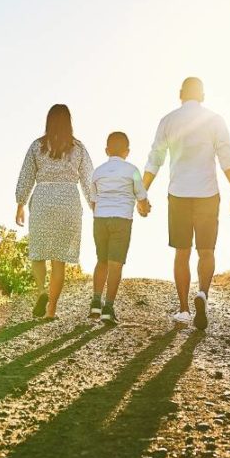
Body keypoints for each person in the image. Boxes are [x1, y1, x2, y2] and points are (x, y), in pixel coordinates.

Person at [143, 77, 230, 330]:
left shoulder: (167, 121)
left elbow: (154, 159)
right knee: (206, 251)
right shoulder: (215, 120)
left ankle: (184, 310)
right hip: (208, 194)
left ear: (180, 94)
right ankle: (203, 294)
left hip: (179, 194)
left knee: (182, 253)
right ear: (203, 95)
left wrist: (142, 192)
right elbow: (226, 160)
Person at [15, 104, 96, 320]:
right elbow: (89, 179)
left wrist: (20, 204)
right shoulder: (78, 148)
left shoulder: (37, 146)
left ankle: (41, 291)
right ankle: (51, 311)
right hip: (68, 201)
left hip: (43, 199)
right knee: (59, 260)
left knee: (38, 252)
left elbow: (26, 176)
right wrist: (94, 204)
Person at [90, 131, 151, 324]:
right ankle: (108, 308)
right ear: (127, 151)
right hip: (122, 219)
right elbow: (142, 198)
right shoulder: (132, 170)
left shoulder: (97, 172)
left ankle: (95, 303)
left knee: (102, 261)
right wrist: (144, 209)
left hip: (100, 219)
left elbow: (93, 201)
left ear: (107, 150)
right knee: (116, 264)